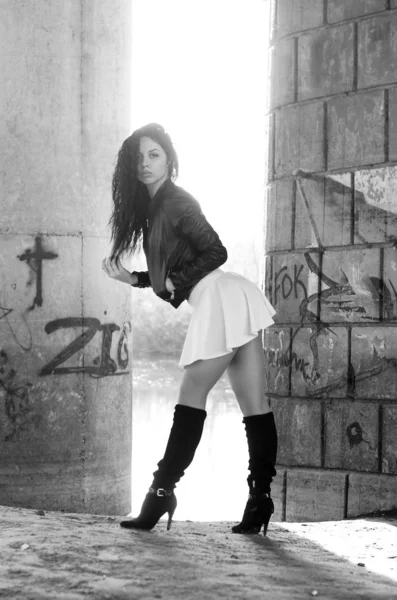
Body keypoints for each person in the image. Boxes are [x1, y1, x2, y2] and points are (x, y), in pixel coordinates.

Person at [102, 123, 278, 536]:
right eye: (139, 158)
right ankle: (260, 501)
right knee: (255, 406)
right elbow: (171, 273)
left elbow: (217, 251)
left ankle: (160, 495)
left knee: (191, 396)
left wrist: (174, 283)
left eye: (154, 155)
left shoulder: (176, 201)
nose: (145, 164)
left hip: (219, 297)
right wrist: (136, 280)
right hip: (229, 297)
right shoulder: (156, 208)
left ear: (168, 158)